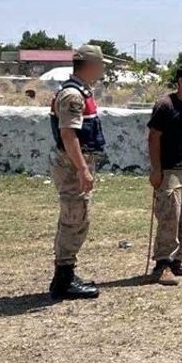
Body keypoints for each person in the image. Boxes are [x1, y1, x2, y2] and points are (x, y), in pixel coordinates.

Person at [47, 44, 110, 300]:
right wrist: (83, 169)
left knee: (78, 218)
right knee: (74, 218)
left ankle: (67, 273)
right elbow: (68, 134)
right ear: (91, 65)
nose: (103, 69)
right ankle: (63, 279)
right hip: (73, 165)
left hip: (77, 163)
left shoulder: (80, 91)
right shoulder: (73, 95)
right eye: (101, 64)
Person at [146, 64, 182, 285]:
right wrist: (156, 169)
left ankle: (177, 261)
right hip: (171, 170)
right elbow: (154, 138)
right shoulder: (165, 105)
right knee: (169, 216)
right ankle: (162, 264)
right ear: (181, 81)